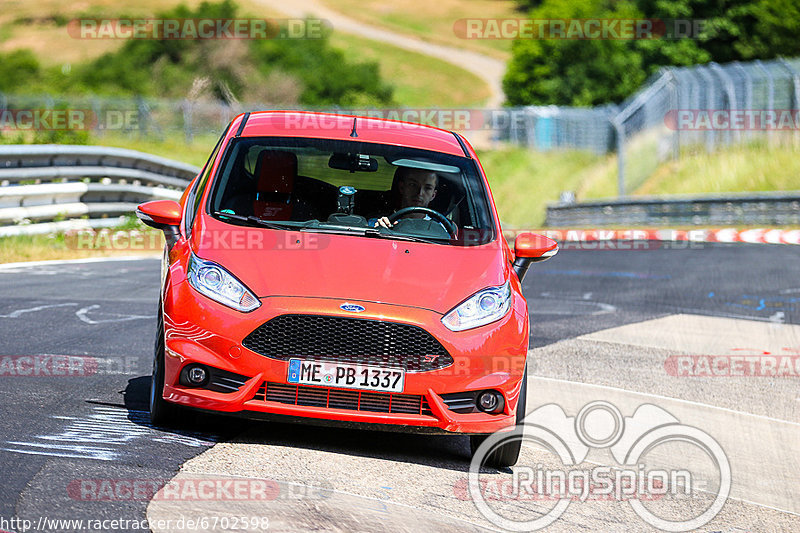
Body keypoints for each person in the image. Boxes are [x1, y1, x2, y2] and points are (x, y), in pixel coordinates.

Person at [374, 166, 439, 228]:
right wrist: (379, 230)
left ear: (433, 195)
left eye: (427, 188)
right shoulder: (380, 223)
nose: (420, 193)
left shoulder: (441, 229)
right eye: (413, 185)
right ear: (401, 187)